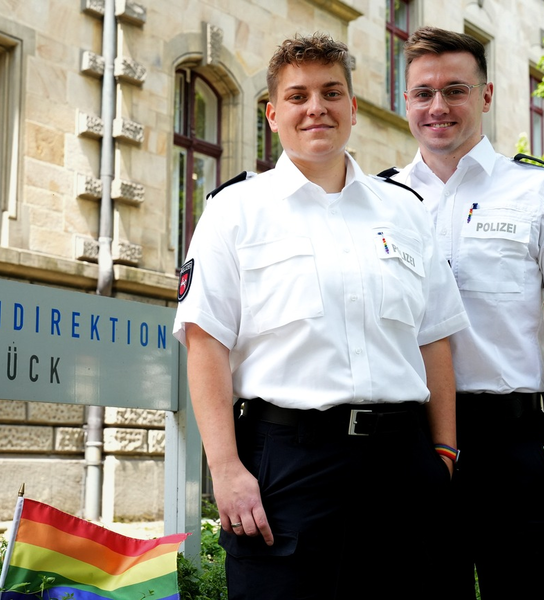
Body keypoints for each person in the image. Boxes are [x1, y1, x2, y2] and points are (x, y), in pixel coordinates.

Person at [172, 33, 469, 600]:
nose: (316, 108)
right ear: (272, 113)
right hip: (288, 461)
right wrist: (226, 471)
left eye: (332, 92)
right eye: (298, 95)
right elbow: (205, 344)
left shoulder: (405, 211)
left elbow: (434, 340)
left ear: (353, 108)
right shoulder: (234, 211)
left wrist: (445, 453)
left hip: (403, 461)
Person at [389, 26, 544, 599]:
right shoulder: (378, 200)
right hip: (408, 442)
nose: (437, 106)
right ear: (405, 99)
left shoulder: (541, 192)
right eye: (423, 93)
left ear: (486, 96)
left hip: (513, 444)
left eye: (455, 90)